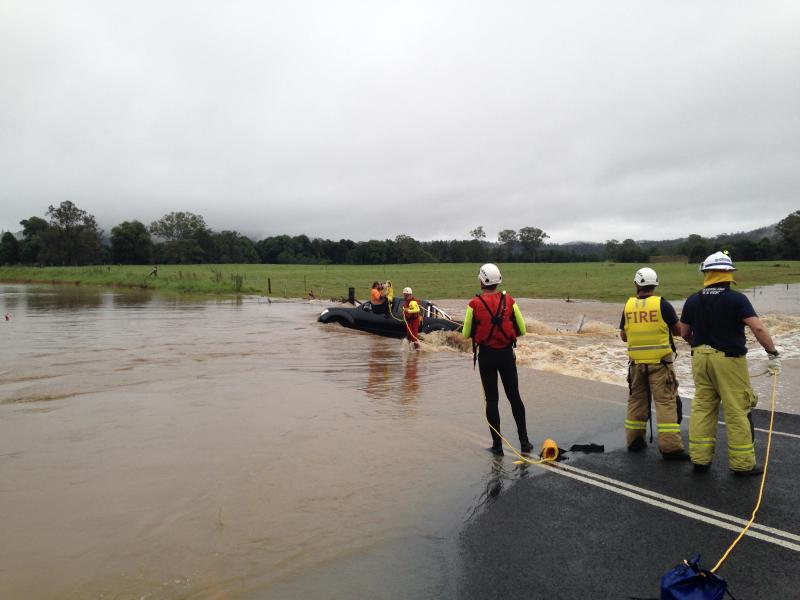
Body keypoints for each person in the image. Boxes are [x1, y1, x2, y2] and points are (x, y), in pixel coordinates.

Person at [679, 251, 781, 476]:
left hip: (699, 359)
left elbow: (684, 331)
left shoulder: (693, 299)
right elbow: (758, 328)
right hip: (728, 361)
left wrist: (697, 344)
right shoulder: (736, 299)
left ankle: (700, 460)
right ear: (728, 273)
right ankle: (742, 464)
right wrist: (772, 353)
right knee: (737, 410)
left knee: (703, 408)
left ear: (706, 273)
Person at [462, 263, 532, 456]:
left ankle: (498, 446)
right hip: (506, 355)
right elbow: (523, 330)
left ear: (482, 280)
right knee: (514, 398)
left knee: (491, 401)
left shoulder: (473, 304)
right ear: (498, 280)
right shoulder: (509, 300)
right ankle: (525, 443)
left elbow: (466, 332)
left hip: (486, 356)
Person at [619, 267, 688, 460]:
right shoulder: (662, 305)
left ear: (636, 284)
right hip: (660, 365)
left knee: (636, 402)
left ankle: (634, 441)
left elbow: (624, 336)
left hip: (635, 365)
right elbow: (678, 331)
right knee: (665, 403)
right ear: (655, 284)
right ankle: (670, 448)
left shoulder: (629, 306)